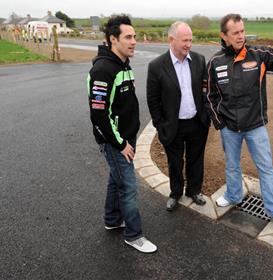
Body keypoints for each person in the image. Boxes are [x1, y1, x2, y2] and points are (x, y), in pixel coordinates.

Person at [205, 13, 273, 228]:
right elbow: (209, 96)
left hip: (255, 126)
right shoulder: (215, 62)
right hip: (230, 128)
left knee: (265, 168)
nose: (240, 36)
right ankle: (233, 195)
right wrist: (220, 122)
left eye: (242, 31)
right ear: (224, 36)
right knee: (232, 165)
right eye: (235, 33)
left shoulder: (258, 54)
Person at [87, 15, 157, 253]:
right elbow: (99, 115)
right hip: (116, 141)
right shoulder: (103, 70)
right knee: (128, 186)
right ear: (112, 40)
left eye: (134, 36)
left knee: (115, 179)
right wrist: (120, 144)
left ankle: (112, 219)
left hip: (126, 137)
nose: (134, 41)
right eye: (128, 37)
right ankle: (134, 235)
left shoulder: (123, 64)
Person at [147, 21, 209, 211]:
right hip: (172, 125)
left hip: (197, 123)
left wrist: (205, 115)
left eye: (190, 40)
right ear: (171, 39)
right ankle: (175, 193)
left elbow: (206, 91)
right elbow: (153, 99)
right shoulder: (157, 66)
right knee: (174, 162)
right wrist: (160, 125)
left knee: (196, 159)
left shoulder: (199, 60)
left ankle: (194, 190)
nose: (188, 44)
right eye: (184, 40)